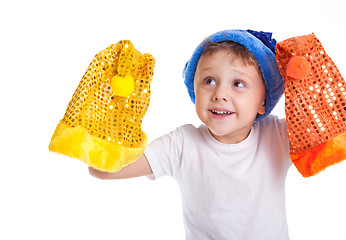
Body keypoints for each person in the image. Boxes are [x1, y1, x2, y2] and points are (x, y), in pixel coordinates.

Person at [89, 29, 292, 239]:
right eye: (209, 81)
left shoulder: (277, 135)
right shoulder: (183, 144)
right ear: (193, 87)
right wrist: (115, 112)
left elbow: (324, 132)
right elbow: (103, 170)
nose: (220, 94)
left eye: (238, 84)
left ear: (264, 100)